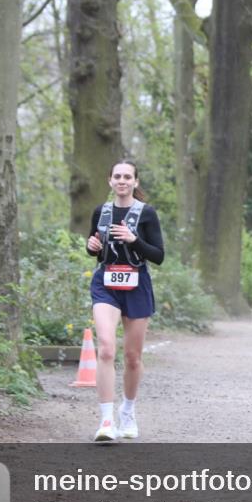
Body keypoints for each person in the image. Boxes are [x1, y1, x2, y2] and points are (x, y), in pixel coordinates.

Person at [85, 160, 165, 441]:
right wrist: (90, 245)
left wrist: (134, 239)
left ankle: (127, 412)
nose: (122, 181)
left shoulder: (147, 214)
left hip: (136, 284)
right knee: (106, 348)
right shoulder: (101, 211)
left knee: (132, 357)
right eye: (117, 176)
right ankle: (106, 421)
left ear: (135, 182)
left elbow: (158, 256)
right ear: (109, 180)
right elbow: (95, 247)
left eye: (127, 177)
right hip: (106, 283)